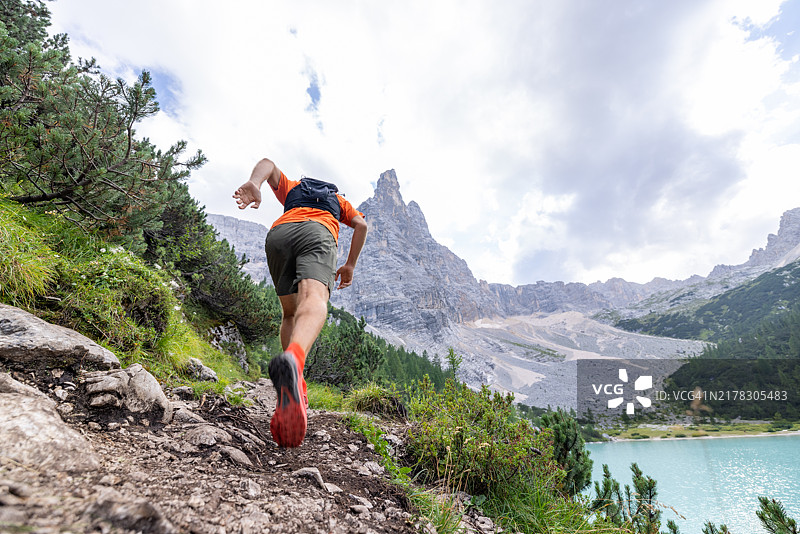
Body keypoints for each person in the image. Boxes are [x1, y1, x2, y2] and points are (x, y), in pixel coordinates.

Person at [233, 157, 368, 447]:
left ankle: (295, 387)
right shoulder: (339, 202)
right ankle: (294, 359)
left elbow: (267, 162)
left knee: (290, 313)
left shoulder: (292, 188)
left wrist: (254, 184)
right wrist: (350, 265)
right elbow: (361, 227)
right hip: (317, 234)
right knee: (314, 297)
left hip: (279, 235)